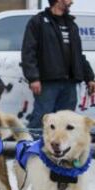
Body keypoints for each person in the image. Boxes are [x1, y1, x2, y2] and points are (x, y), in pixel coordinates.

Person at [21, 0, 95, 128]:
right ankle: (33, 147)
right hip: (48, 82)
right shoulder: (38, 22)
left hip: (70, 84)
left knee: (65, 123)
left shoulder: (72, 25)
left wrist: (90, 78)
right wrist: (33, 78)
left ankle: (58, 148)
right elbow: (28, 52)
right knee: (42, 119)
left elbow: (78, 55)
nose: (72, 2)